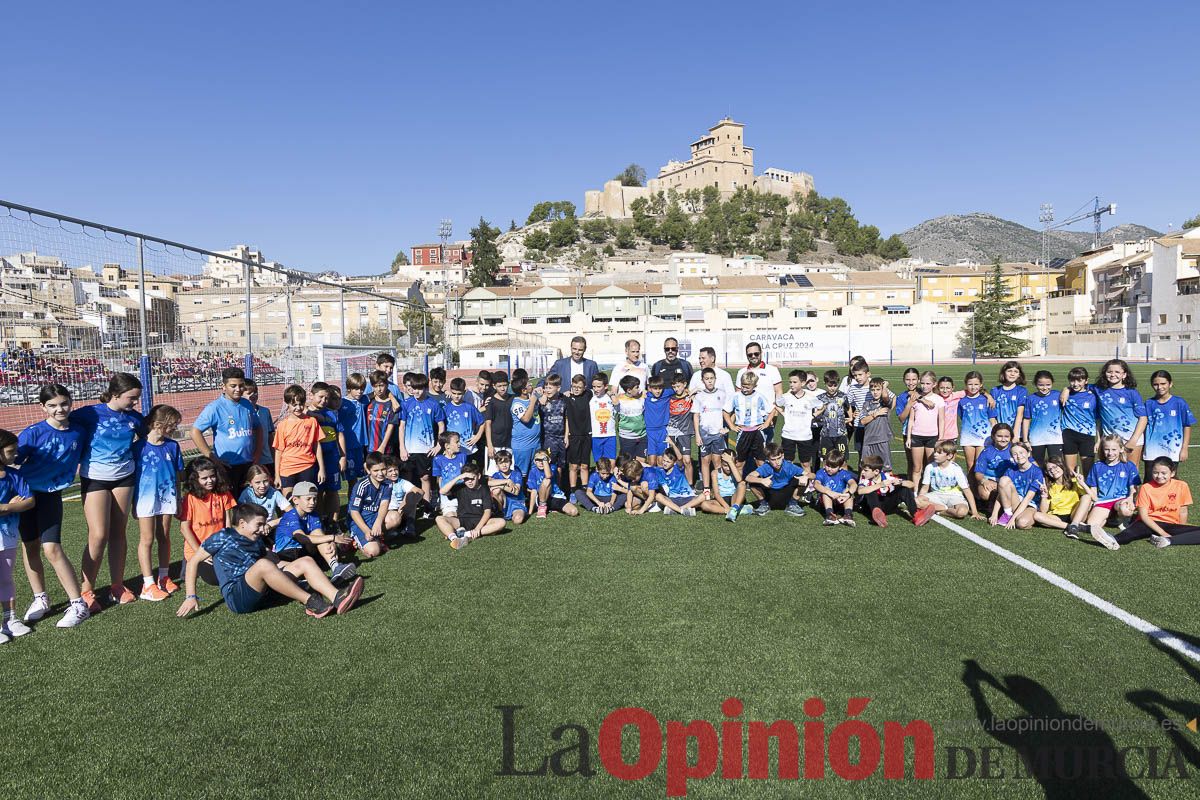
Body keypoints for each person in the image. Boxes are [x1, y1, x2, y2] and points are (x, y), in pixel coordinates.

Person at [176, 503, 363, 618]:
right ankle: (311, 602)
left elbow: (276, 565)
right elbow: (193, 562)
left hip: (263, 590)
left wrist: (299, 571)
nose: (263, 529)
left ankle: (337, 596)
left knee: (305, 561)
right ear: (242, 524)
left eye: (264, 524)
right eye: (259, 524)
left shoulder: (257, 542)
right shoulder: (223, 536)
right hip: (238, 597)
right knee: (263, 565)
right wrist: (191, 596)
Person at [15, 384, 90, 628]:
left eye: (64, 403)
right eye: (53, 405)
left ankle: (78, 604)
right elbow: (10, 459)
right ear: (42, 407)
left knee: (52, 549)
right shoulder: (33, 433)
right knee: (30, 547)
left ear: (71, 402)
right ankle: (40, 598)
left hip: (50, 496)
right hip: (26, 496)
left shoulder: (79, 431)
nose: (60, 409)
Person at [71, 372, 145, 611]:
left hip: (125, 478)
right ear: (115, 394)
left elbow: (148, 439)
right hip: (95, 479)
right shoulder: (89, 413)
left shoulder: (134, 418)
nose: (135, 403)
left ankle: (117, 586)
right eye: (131, 398)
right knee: (98, 535)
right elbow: (66, 429)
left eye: (137, 398)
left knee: (118, 533)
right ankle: (86, 590)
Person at [132, 405, 185, 601]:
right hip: (145, 499)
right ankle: (148, 584)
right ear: (156, 424)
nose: (174, 429)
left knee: (164, 536)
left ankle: (164, 577)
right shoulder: (138, 448)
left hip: (168, 496)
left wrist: (178, 498)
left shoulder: (173, 446)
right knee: (146, 539)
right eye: (171, 425)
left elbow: (179, 476)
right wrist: (132, 502)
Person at [190, 367, 261, 490]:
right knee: (230, 502)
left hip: (248, 463)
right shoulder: (215, 407)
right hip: (227, 466)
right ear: (223, 386)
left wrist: (257, 452)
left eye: (241, 385)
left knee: (248, 503)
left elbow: (258, 428)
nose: (238, 389)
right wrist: (212, 457)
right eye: (233, 386)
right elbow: (195, 431)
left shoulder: (247, 404)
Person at [272, 482, 357, 584]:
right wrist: (332, 538)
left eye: (315, 498)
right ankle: (307, 579)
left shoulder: (313, 514)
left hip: (305, 551)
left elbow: (318, 535)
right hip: (287, 554)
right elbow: (302, 538)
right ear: (295, 500)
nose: (312, 502)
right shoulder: (290, 516)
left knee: (319, 534)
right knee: (325, 539)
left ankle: (336, 567)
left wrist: (331, 542)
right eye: (308, 499)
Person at [1119, 457, 1200, 548]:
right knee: (1128, 535)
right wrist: (1163, 533)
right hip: (1148, 523)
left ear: (1172, 473)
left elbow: (1183, 511)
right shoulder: (1146, 487)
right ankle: (1112, 540)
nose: (1159, 476)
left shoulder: (1182, 486)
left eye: (1163, 473)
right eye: (1155, 472)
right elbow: (1144, 516)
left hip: (1171, 524)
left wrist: (1181, 529)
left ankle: (1168, 541)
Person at [0, 429, 34, 642]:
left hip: (7, 534)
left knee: (5, 577)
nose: (15, 455)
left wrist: (10, 508)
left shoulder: (14, 475)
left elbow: (29, 501)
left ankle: (10, 619)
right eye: (11, 451)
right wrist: (8, 506)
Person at [178, 456, 237, 575]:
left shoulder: (223, 493)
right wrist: (200, 553)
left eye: (212, 476)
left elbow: (227, 524)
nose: (210, 480)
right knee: (215, 575)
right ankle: (189, 565)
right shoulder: (189, 498)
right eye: (204, 478)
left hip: (219, 546)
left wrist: (229, 546)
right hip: (198, 549)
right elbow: (184, 529)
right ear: (195, 480)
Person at [1081, 434, 1140, 550]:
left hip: (1121, 500)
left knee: (1125, 509)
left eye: (1114, 449)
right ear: (1103, 450)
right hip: (1104, 501)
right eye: (1107, 449)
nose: (1110, 453)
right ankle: (1108, 534)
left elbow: (1134, 488)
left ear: (1121, 449)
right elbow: (1094, 493)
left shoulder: (1128, 466)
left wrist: (1130, 499)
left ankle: (1122, 520)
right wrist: (1083, 484)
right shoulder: (1097, 466)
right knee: (1092, 525)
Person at [398, 372, 445, 511]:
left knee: (425, 478)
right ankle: (405, 508)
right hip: (409, 449)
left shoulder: (434, 404)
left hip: (426, 450)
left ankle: (426, 507)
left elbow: (441, 426)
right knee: (406, 478)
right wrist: (402, 447)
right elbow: (402, 426)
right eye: (413, 388)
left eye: (419, 388)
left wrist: (438, 445)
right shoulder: (406, 404)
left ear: (425, 388)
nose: (416, 391)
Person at [436, 463, 506, 549]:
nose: (469, 481)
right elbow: (442, 491)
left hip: (480, 521)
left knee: (501, 522)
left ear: (478, 476)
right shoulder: (460, 488)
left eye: (472, 478)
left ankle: (465, 534)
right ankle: (454, 538)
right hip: (462, 521)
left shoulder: (484, 489)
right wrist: (458, 478)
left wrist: (477, 529)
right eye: (466, 479)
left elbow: (487, 512)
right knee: (439, 518)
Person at [1141, 370, 1194, 479]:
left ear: (1170, 383)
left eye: (1163, 384)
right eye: (1156, 384)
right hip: (1152, 450)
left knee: (1170, 481)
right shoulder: (1149, 403)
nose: (1159, 387)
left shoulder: (1179, 403)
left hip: (1172, 449)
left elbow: (1187, 425)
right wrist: (1143, 448)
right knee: (1150, 481)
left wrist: (1184, 448)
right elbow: (1144, 426)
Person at [272, 384, 324, 495]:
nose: (298, 407)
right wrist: (277, 475)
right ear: (288, 404)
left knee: (308, 498)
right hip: (287, 468)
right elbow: (278, 451)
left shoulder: (311, 421)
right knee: (288, 500)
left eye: (301, 404)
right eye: (294, 404)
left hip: (307, 466)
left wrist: (321, 468)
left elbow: (317, 445)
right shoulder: (282, 425)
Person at [1094, 359, 1148, 465]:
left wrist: (1133, 440)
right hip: (1110, 441)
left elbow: (1143, 418)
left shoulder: (1132, 393)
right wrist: (1066, 390)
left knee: (1131, 472)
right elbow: (1080, 386)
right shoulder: (1098, 390)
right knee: (1110, 470)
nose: (1113, 374)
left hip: (1131, 438)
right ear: (1105, 374)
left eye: (1117, 372)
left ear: (1124, 375)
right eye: (1109, 372)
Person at [308, 383, 347, 530]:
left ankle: (334, 521)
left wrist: (343, 456)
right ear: (311, 395)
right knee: (316, 492)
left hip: (332, 458)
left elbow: (340, 435)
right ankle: (319, 521)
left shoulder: (332, 414)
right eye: (320, 397)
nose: (323, 400)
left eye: (327, 398)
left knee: (333, 490)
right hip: (313, 460)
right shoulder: (305, 414)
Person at [919, 440, 983, 523]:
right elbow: (925, 487)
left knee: (962, 512)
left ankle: (939, 511)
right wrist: (920, 499)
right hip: (936, 495)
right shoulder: (930, 467)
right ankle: (944, 508)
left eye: (939, 453)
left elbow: (967, 491)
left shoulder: (956, 469)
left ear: (949, 456)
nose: (935, 454)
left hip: (955, 497)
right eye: (935, 452)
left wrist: (974, 512)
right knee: (917, 501)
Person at [1032, 456, 1093, 538]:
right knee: (1037, 515)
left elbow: (1094, 498)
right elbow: (1043, 511)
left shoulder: (1075, 481)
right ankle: (1072, 527)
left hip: (1074, 514)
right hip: (1057, 516)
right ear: (1047, 473)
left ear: (1062, 466)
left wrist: (1083, 484)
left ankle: (1074, 524)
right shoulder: (1048, 486)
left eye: (1055, 467)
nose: (1053, 471)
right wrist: (1044, 496)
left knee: (1086, 497)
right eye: (1049, 469)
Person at [693, 367, 732, 496]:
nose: (709, 381)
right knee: (705, 461)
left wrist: (728, 426)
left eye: (711, 378)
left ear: (715, 379)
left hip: (718, 434)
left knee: (717, 461)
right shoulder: (699, 396)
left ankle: (719, 487)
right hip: (704, 434)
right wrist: (697, 435)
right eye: (707, 379)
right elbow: (696, 416)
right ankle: (706, 488)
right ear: (702, 380)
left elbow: (730, 410)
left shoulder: (722, 394)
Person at [856, 454, 922, 528]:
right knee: (870, 492)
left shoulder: (886, 476)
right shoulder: (864, 478)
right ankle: (878, 515)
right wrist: (880, 485)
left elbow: (912, 484)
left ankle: (916, 514)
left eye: (865, 470)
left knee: (904, 488)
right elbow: (860, 491)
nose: (862, 472)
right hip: (869, 508)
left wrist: (900, 482)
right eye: (862, 470)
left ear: (876, 471)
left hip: (886, 505)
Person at [734, 341, 782, 442]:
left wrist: (774, 414)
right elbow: (737, 396)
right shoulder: (741, 372)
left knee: (766, 450)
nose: (753, 356)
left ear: (761, 353)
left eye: (756, 353)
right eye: (750, 354)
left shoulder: (772, 370)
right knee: (746, 452)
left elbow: (778, 392)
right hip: (745, 420)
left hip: (766, 418)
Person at [989, 441, 1044, 530]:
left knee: (1021, 523)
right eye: (1015, 454)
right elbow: (1001, 493)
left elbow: (1028, 498)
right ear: (1012, 457)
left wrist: (1013, 519)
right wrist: (994, 514)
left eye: (1021, 452)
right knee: (1003, 480)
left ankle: (1025, 517)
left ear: (1028, 453)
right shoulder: (1010, 470)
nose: (1018, 456)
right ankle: (1007, 513)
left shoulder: (1037, 472)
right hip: (1016, 502)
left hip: (1030, 504)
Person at [777, 370, 823, 474]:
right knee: (787, 462)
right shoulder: (786, 396)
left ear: (802, 383)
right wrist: (784, 413)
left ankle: (808, 485)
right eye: (790, 382)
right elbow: (776, 404)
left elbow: (822, 406)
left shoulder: (810, 397)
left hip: (804, 436)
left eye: (794, 382)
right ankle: (788, 482)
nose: (791, 384)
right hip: (788, 435)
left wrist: (813, 415)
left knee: (805, 463)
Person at [726, 371, 773, 472]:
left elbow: (772, 410)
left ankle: (762, 484)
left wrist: (766, 423)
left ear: (754, 386)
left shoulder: (759, 396)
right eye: (743, 386)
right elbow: (725, 412)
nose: (745, 389)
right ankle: (739, 484)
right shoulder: (736, 396)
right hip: (743, 432)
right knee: (740, 462)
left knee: (760, 461)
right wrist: (732, 426)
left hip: (757, 432)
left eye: (748, 387)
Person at [746, 442, 808, 518]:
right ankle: (764, 505)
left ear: (782, 456)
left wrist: (806, 476)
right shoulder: (766, 467)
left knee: (805, 479)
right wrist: (762, 480)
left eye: (779, 458)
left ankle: (793, 504)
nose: (777, 462)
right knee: (753, 482)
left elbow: (812, 475)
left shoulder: (788, 466)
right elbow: (748, 477)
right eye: (773, 459)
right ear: (768, 459)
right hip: (770, 495)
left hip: (787, 494)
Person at [348, 452, 392, 559]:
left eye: (383, 469)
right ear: (368, 470)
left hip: (375, 516)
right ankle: (354, 541)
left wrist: (378, 522)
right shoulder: (362, 486)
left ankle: (377, 537)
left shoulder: (388, 483)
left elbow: (384, 504)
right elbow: (354, 512)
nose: (380, 473)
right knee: (374, 551)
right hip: (360, 521)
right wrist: (366, 530)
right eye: (376, 470)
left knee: (395, 518)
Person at [905, 371, 944, 487]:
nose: (924, 386)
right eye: (922, 383)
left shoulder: (938, 399)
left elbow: (941, 420)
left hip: (932, 437)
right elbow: (911, 420)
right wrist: (908, 437)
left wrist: (941, 438)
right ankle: (915, 493)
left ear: (934, 384)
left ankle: (932, 490)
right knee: (917, 468)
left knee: (932, 466)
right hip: (917, 436)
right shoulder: (914, 398)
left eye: (928, 383)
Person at [1058, 367, 1100, 477]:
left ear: (1086, 381)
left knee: (1088, 472)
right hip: (1069, 435)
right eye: (1072, 380)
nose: (1075, 384)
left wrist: (1099, 440)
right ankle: (1073, 493)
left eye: (1079, 380)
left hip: (1087, 436)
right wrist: (1065, 389)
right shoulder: (1065, 395)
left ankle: (1089, 493)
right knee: (1070, 472)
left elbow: (1097, 419)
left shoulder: (1093, 396)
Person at [1018, 370, 1064, 465]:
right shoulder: (1031, 399)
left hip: (1055, 438)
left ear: (1052, 383)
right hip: (1036, 438)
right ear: (1035, 384)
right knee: (1037, 465)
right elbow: (1026, 419)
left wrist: (1066, 390)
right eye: (1041, 385)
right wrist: (1026, 440)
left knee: (1056, 465)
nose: (1045, 388)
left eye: (1048, 385)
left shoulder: (1058, 395)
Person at [958, 371, 996, 484]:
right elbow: (962, 417)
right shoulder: (962, 401)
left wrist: (994, 436)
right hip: (967, 437)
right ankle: (972, 493)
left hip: (983, 437)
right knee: (970, 466)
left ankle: (981, 494)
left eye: (976, 384)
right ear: (966, 385)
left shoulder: (987, 400)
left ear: (981, 385)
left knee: (980, 466)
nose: (973, 387)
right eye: (970, 384)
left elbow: (992, 419)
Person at [654, 449, 717, 516]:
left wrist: (672, 444)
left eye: (668, 462)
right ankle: (682, 510)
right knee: (658, 496)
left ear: (674, 462)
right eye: (664, 460)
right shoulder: (660, 470)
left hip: (688, 498)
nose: (665, 463)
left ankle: (676, 509)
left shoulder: (678, 468)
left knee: (704, 496)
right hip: (673, 499)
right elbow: (647, 467)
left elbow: (680, 458)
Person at [445, 377, 486, 470]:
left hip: (468, 448)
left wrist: (477, 436)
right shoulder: (446, 408)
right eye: (454, 393)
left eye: (459, 394)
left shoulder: (469, 407)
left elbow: (482, 422)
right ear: (450, 391)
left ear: (464, 392)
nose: (456, 396)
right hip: (453, 448)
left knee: (469, 471)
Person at [508, 369, 541, 483]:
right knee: (521, 476)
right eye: (528, 384)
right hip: (522, 446)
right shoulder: (517, 404)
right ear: (523, 390)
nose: (531, 384)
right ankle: (519, 498)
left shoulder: (531, 399)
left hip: (535, 444)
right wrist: (532, 401)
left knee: (535, 474)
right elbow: (526, 419)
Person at [813, 370, 852, 464]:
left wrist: (850, 417)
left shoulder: (843, 396)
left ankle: (843, 478)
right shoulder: (820, 398)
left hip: (841, 434)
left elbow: (848, 407)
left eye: (835, 385)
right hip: (826, 434)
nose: (832, 388)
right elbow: (815, 413)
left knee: (842, 460)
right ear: (825, 383)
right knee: (826, 460)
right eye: (830, 385)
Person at [527, 449, 579, 518]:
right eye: (538, 460)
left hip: (555, 496)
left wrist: (545, 460)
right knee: (546, 481)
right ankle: (542, 506)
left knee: (574, 511)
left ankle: (549, 507)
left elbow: (548, 475)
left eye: (544, 459)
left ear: (549, 460)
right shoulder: (533, 471)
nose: (541, 462)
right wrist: (530, 513)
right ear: (534, 461)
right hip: (540, 498)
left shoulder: (553, 467)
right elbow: (533, 491)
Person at [973, 423, 1014, 511]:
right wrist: (984, 481)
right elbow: (978, 473)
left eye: (1006, 436)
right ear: (993, 436)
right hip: (990, 479)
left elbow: (1030, 464)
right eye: (999, 436)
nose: (1003, 439)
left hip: (1009, 481)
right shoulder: (987, 451)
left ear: (1011, 437)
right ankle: (989, 504)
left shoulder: (1015, 449)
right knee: (986, 493)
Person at [857, 377, 894, 472]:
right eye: (873, 390)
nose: (875, 392)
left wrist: (885, 386)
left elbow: (885, 396)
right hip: (868, 440)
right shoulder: (866, 404)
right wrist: (876, 414)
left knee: (886, 468)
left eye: (878, 389)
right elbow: (863, 421)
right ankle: (864, 486)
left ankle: (887, 486)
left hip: (882, 439)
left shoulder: (884, 403)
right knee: (865, 467)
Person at [564, 374, 593, 493]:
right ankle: (573, 491)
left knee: (585, 465)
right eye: (574, 386)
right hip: (574, 436)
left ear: (585, 387)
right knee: (574, 466)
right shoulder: (567, 397)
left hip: (587, 435)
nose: (576, 389)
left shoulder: (589, 395)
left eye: (579, 387)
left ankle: (585, 489)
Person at [238, 464, 291, 529]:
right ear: (250, 483)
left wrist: (273, 523)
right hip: (251, 528)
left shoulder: (274, 493)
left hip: (270, 527)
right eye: (258, 482)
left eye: (265, 481)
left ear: (269, 479)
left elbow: (292, 512)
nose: (262, 486)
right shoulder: (246, 494)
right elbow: (239, 515)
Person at [811, 451, 858, 525]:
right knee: (826, 491)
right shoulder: (821, 472)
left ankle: (848, 515)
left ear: (840, 467)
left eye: (833, 467)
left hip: (841, 500)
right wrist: (829, 492)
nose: (829, 469)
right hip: (825, 503)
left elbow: (853, 484)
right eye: (827, 465)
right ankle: (830, 515)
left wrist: (848, 494)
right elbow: (816, 484)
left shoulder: (844, 473)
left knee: (847, 490)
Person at [339, 373, 369, 484]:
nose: (359, 391)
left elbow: (375, 393)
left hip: (361, 444)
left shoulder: (364, 399)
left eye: (362, 388)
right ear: (349, 388)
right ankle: (352, 501)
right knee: (352, 480)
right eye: (356, 389)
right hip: (348, 445)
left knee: (363, 476)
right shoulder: (342, 403)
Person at [538, 373, 568, 480]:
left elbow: (566, 418)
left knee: (560, 466)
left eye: (550, 387)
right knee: (549, 464)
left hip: (561, 438)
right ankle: (549, 488)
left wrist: (566, 436)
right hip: (548, 438)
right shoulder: (542, 401)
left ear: (558, 388)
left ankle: (558, 489)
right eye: (546, 387)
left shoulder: (563, 400)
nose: (547, 390)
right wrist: (541, 399)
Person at [244, 378, 277, 478]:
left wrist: (274, 457)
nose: (253, 395)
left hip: (266, 459)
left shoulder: (265, 411)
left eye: (255, 392)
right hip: (249, 460)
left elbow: (270, 435)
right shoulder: (241, 413)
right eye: (249, 392)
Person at [382, 457, 422, 538]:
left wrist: (405, 502)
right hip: (388, 512)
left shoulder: (401, 482)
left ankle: (409, 526)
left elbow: (420, 491)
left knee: (412, 495)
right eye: (390, 471)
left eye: (396, 469)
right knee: (393, 517)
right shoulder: (381, 483)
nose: (394, 473)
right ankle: (386, 531)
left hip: (402, 511)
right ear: (384, 473)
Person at [432, 431, 469, 515]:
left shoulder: (463, 456)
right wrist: (443, 495)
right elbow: (439, 480)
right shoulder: (438, 459)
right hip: (448, 495)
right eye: (456, 442)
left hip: (463, 493)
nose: (459, 444)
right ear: (447, 446)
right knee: (451, 516)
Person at [484, 372, 514, 474]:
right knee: (493, 472)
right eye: (499, 386)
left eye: (505, 385)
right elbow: (488, 424)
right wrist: (489, 445)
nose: (502, 388)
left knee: (509, 470)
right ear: (494, 386)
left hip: (510, 442)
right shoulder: (491, 402)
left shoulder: (513, 399)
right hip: (495, 443)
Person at [894, 368, 921, 478]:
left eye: (914, 379)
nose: (911, 382)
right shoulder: (901, 397)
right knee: (912, 463)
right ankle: (911, 489)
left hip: (925, 432)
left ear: (919, 380)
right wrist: (909, 404)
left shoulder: (925, 394)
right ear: (904, 380)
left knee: (926, 463)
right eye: (908, 379)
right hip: (908, 433)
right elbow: (901, 418)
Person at [364, 371, 400, 455]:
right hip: (369, 448)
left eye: (381, 385)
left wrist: (383, 447)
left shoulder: (392, 404)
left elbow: (391, 427)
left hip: (386, 449)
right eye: (375, 386)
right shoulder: (368, 401)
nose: (379, 389)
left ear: (387, 385)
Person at [843, 361, 873, 462]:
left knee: (873, 454)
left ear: (868, 374)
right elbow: (847, 403)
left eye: (860, 374)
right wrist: (851, 416)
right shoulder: (853, 388)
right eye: (855, 375)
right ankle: (862, 477)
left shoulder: (874, 387)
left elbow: (890, 398)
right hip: (859, 425)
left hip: (873, 425)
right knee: (861, 455)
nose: (857, 377)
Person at [708, 453, 751, 522]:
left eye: (730, 465)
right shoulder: (715, 473)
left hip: (734, 498)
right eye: (725, 465)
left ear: (735, 463)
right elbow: (716, 493)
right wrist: (726, 507)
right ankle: (734, 510)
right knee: (704, 505)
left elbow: (739, 480)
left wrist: (730, 461)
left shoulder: (736, 471)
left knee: (742, 484)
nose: (728, 468)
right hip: (721, 499)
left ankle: (735, 508)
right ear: (721, 463)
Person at [643, 374, 674, 468]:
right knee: (652, 462)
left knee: (661, 462)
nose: (658, 391)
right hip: (649, 431)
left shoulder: (667, 394)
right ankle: (651, 481)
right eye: (655, 388)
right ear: (650, 388)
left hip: (662, 431)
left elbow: (679, 390)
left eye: (660, 388)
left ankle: (662, 481)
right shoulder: (645, 396)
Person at [489, 449, 528, 526]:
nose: (504, 465)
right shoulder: (496, 475)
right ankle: (500, 512)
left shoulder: (516, 474)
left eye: (506, 462)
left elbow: (516, 491)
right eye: (501, 463)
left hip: (517, 502)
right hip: (504, 502)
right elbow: (489, 482)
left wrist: (501, 485)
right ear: (497, 465)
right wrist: (506, 481)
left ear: (511, 463)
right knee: (495, 490)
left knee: (517, 520)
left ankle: (519, 512)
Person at [614, 374, 647, 460]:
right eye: (636, 387)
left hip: (642, 436)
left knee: (641, 462)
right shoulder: (619, 399)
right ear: (629, 390)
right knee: (627, 463)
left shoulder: (642, 397)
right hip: (627, 437)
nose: (639, 389)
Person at [587, 372, 616, 466]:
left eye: (599, 387)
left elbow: (617, 404)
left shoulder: (609, 397)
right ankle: (599, 480)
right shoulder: (591, 398)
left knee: (611, 462)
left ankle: (611, 479)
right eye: (594, 387)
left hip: (610, 435)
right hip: (596, 435)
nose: (596, 389)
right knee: (599, 464)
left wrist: (611, 394)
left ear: (606, 386)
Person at [991, 361, 1028, 431]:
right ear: (1004, 373)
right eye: (1009, 371)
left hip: (1016, 431)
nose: (1012, 374)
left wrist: (1015, 433)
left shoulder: (1021, 391)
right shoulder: (995, 390)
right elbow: (993, 415)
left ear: (1019, 375)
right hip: (1001, 433)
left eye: (1016, 371)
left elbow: (1020, 414)